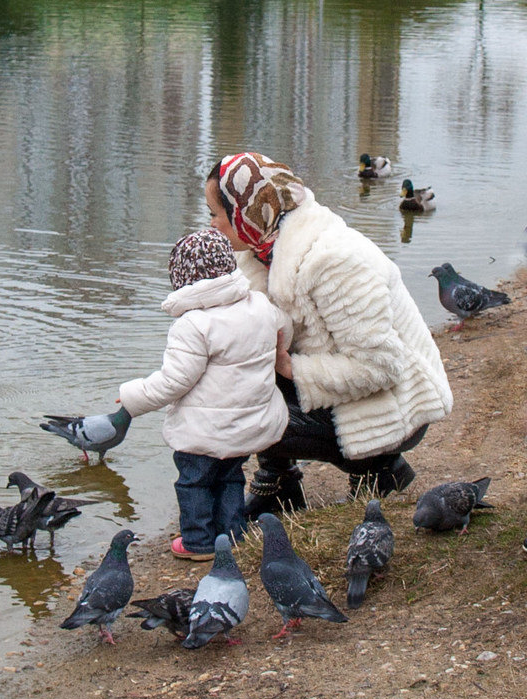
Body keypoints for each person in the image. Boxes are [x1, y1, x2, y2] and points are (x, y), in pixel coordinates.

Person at [204, 152, 452, 517]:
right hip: (355, 385)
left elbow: (381, 368)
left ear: (249, 210)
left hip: (398, 403)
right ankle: (279, 485)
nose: (210, 225)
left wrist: (291, 369)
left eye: (215, 213)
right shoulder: (263, 248)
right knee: (235, 372)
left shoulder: (334, 260)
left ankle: (378, 468)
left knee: (244, 412)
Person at [119, 229, 292, 560]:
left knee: (194, 483)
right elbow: (283, 327)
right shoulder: (260, 305)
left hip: (204, 431)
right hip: (247, 425)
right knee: (229, 478)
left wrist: (132, 397)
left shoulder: (193, 325)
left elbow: (174, 381)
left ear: (182, 279)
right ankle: (231, 534)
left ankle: (197, 542)